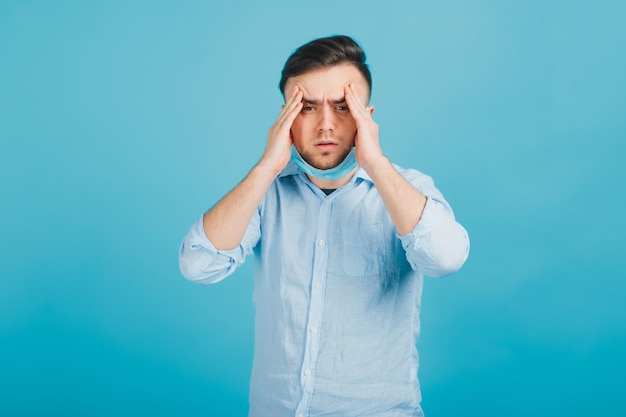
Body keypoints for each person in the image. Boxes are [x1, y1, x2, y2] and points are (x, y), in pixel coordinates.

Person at [179, 35, 469, 417]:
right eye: (308, 108)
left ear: (367, 115)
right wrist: (266, 167)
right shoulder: (267, 192)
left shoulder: (409, 189)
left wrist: (375, 162)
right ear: (286, 118)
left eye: (343, 107)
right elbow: (199, 266)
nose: (326, 125)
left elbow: (446, 259)